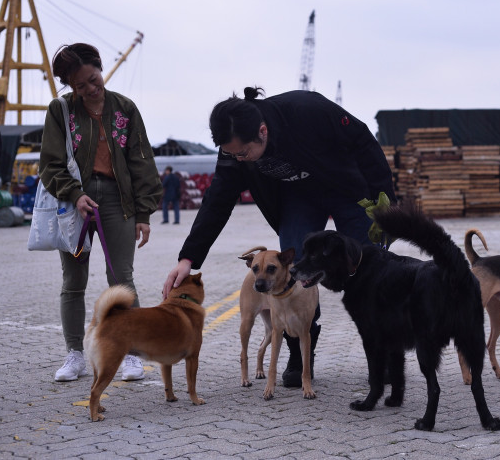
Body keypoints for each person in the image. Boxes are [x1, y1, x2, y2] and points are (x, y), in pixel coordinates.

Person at [163, 86, 396, 387]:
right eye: (233, 154)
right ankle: (299, 352)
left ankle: (383, 355)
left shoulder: (306, 110)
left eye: (244, 153)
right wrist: (188, 259)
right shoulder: (234, 149)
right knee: (292, 268)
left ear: (262, 131)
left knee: (369, 269)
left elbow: (364, 141)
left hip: (348, 188)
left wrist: (384, 204)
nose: (240, 159)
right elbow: (217, 200)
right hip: (300, 198)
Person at [39, 43, 163, 382]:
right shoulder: (60, 111)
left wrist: (144, 213)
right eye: (81, 86)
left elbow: (141, 161)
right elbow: (49, 164)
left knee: (122, 278)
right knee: (73, 281)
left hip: (117, 200)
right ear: (69, 86)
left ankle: (132, 353)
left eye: (95, 79)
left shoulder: (125, 108)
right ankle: (75, 354)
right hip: (73, 202)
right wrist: (74, 194)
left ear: (100, 68)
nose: (92, 89)